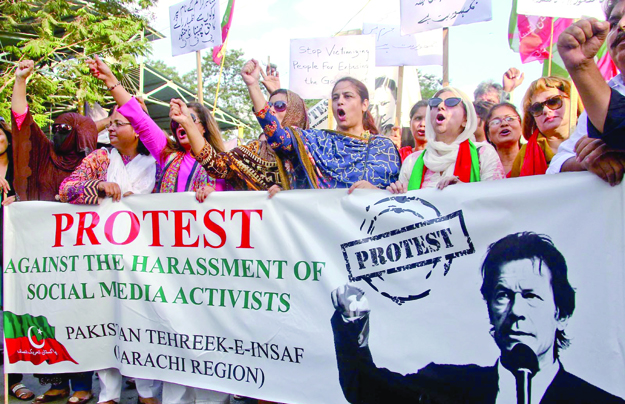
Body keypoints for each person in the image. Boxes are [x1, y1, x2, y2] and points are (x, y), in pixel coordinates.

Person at [331, 232, 625, 403]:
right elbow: (368, 391)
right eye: (503, 296)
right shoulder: (449, 384)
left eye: (531, 296)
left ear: (561, 311)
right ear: (489, 310)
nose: (517, 312)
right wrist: (352, 320)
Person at [86, 55, 231, 404]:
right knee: (175, 340)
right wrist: (111, 82)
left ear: (203, 126)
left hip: (206, 270)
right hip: (167, 267)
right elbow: (139, 118)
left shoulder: (223, 165)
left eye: (190, 120)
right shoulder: (166, 156)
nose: (180, 123)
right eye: (177, 120)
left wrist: (216, 195)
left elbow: (235, 201)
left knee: (206, 337)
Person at [241, 59, 400, 192]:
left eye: (348, 96)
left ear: (364, 104)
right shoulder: (318, 140)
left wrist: (375, 191)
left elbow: (395, 198)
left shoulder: (383, 147)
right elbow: (278, 137)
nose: (340, 101)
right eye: (336, 97)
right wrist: (253, 85)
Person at [190, 73, 309, 193]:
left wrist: (287, 193)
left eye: (279, 105)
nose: (271, 110)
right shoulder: (255, 150)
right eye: (269, 105)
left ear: (296, 113)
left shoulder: (312, 151)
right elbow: (216, 166)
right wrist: (187, 123)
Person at [550, 0, 625, 185]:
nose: (621, 26)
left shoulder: (600, 97)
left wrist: (582, 67)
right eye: (614, 23)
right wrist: (587, 160)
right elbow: (555, 166)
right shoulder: (604, 93)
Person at [386, 87, 504, 193]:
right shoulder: (412, 161)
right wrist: (399, 195)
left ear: (466, 119)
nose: (440, 106)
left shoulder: (483, 154)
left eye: (451, 102)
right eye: (435, 103)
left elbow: (495, 203)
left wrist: (465, 192)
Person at [10, 60, 97, 202]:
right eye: (55, 128)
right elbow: (22, 121)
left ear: (81, 133)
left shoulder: (96, 164)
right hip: (41, 222)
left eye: (64, 129)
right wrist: (20, 81)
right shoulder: (44, 152)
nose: (57, 133)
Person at [0, 117, 35, 402]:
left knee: (11, 311)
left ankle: (14, 381)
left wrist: (18, 200)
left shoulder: (20, 166)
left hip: (13, 250)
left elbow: (34, 199)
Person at [514, 76, 582, 177]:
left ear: (573, 102)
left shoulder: (594, 137)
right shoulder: (524, 155)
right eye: (537, 108)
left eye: (553, 101)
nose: (546, 110)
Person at [484, 103, 523, 176]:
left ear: (521, 127)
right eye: (496, 122)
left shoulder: (534, 157)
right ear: (488, 135)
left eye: (510, 119)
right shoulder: (482, 165)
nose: (504, 123)